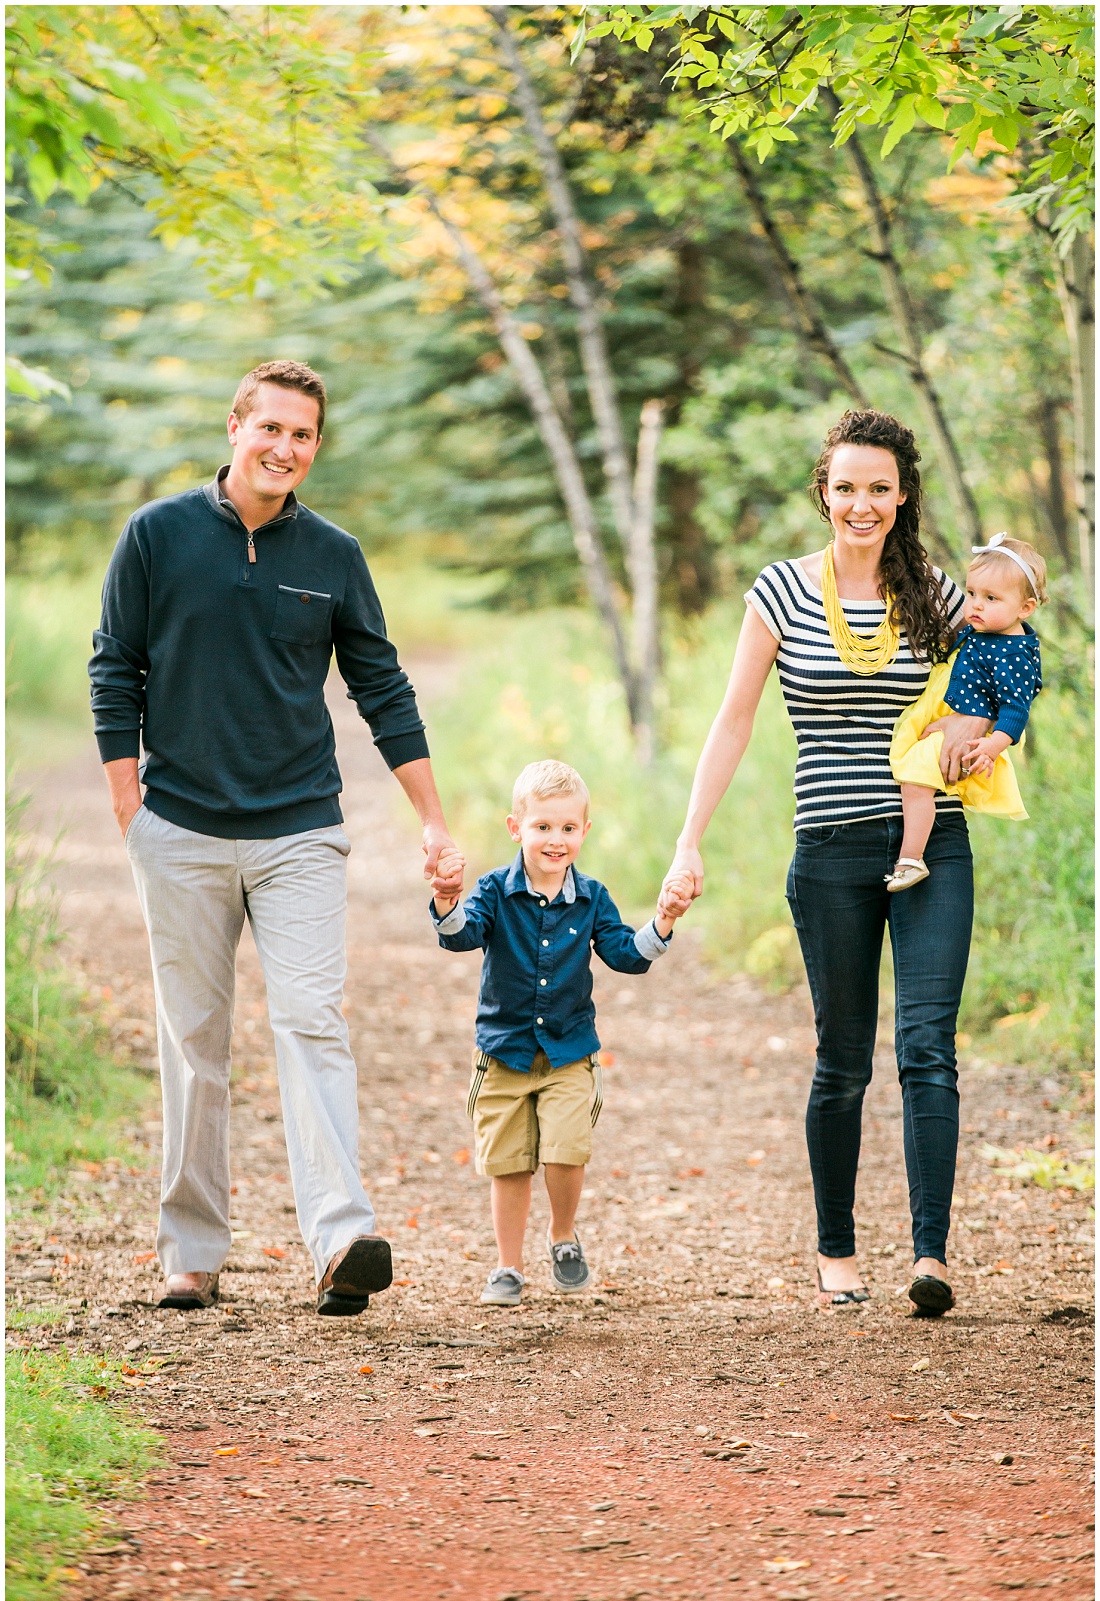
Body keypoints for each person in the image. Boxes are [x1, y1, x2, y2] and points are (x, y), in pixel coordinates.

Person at [89, 359, 462, 1316]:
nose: (284, 449)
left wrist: (430, 817)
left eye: (302, 436)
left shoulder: (333, 555)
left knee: (311, 1022)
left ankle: (340, 1239)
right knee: (193, 1041)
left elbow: (382, 686)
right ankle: (192, 1250)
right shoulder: (157, 535)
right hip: (179, 831)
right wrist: (131, 808)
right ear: (235, 427)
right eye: (271, 430)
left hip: (300, 828)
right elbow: (114, 665)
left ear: (316, 448)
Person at [657, 408, 989, 1319]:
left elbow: (999, 685)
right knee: (842, 1058)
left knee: (928, 1048)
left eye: (880, 488)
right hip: (830, 851)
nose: (862, 503)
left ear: (904, 494)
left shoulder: (941, 595)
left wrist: (981, 733)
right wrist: (689, 839)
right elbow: (733, 721)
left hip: (934, 845)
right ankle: (836, 1250)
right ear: (824, 492)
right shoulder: (782, 592)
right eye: (846, 486)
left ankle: (931, 1256)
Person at [429, 760, 691, 1306]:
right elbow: (460, 937)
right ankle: (508, 1266)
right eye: (543, 827)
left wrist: (663, 919)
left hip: (570, 1053)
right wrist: (448, 900)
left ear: (584, 832)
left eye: (568, 828)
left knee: (567, 1150)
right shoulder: (494, 892)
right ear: (515, 828)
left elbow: (625, 954)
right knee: (509, 1163)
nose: (555, 839)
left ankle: (563, 1234)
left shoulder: (592, 897)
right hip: (504, 1055)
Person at [886, 532, 1045, 890]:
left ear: (1025, 608)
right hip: (948, 714)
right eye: (971, 593)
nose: (975, 605)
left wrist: (992, 746)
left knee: (914, 781)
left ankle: (911, 858)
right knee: (913, 771)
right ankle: (910, 856)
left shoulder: (1013, 652)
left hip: (969, 735)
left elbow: (1016, 708)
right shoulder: (986, 629)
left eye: (990, 598)